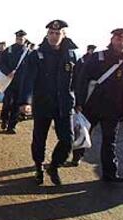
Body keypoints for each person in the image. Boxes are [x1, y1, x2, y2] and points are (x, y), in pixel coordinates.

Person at [71, 28, 123, 183]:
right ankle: (77, 156)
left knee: (110, 142)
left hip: (113, 110)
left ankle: (110, 173)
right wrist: (79, 102)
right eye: (118, 39)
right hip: (92, 105)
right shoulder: (97, 57)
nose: (121, 42)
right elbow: (82, 79)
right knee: (83, 133)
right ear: (112, 39)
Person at [19, 20, 78, 185]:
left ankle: (54, 166)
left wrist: (78, 102)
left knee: (67, 140)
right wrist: (26, 101)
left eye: (57, 33)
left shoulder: (72, 55)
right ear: (47, 34)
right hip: (43, 103)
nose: (54, 36)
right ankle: (38, 167)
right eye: (51, 33)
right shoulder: (36, 55)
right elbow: (28, 79)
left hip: (64, 104)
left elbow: (77, 81)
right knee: (39, 139)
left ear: (63, 35)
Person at [0, 30, 29, 133]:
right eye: (18, 38)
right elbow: (1, 63)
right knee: (7, 102)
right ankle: (4, 119)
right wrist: (7, 72)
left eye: (22, 38)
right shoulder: (9, 50)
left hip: (22, 82)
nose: (20, 40)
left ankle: (12, 126)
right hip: (9, 81)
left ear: (25, 39)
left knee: (17, 104)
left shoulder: (28, 52)